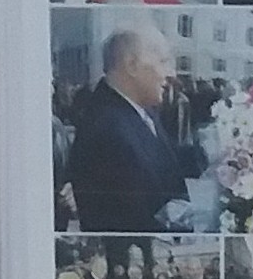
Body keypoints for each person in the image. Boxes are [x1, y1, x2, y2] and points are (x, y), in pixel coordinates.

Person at [67, 25, 195, 238]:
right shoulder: (106, 130)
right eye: (163, 61)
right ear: (132, 65)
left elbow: (167, 160)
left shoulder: (137, 110)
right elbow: (136, 221)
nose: (171, 74)